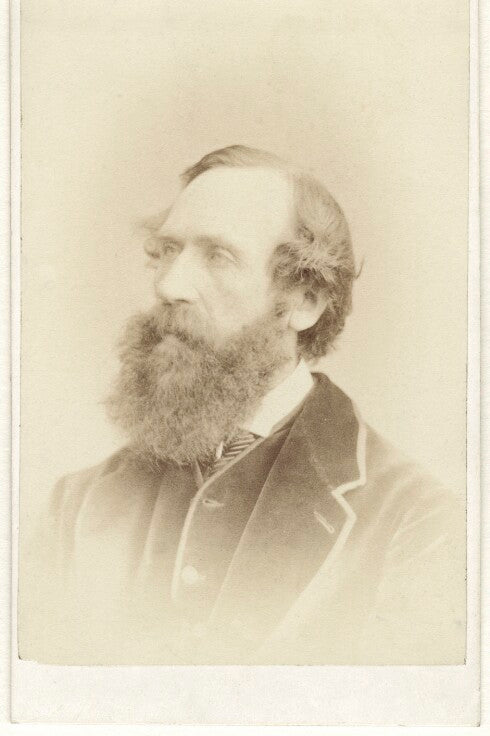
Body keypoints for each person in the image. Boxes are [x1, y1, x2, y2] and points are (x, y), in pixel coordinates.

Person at [19, 145, 466, 666]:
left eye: (218, 256)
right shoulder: (77, 505)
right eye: (167, 251)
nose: (168, 285)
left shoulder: (416, 521)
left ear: (304, 303)